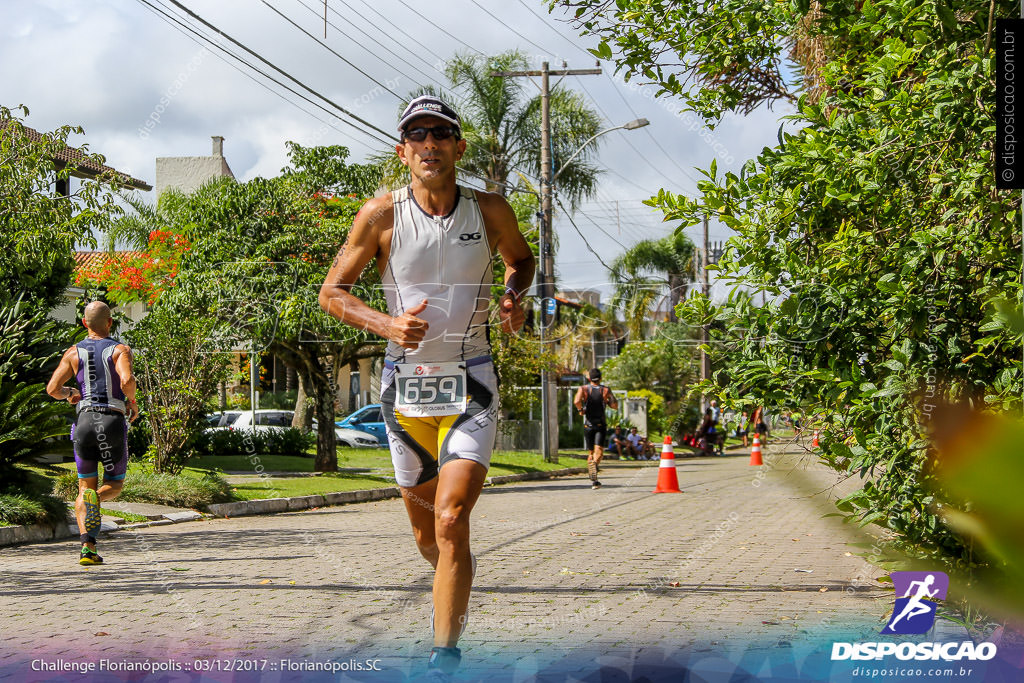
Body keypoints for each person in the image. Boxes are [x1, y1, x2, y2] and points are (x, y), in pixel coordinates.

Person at [318, 95, 535, 678]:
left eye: (440, 134)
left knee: (450, 517)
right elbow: (331, 292)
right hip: (403, 387)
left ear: (458, 147)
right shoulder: (380, 215)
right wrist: (385, 323)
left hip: (471, 378)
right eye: (417, 135)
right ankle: (452, 584)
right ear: (403, 150)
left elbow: (521, 260)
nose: (429, 144)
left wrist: (514, 296)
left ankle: (445, 654)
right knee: (427, 534)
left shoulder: (491, 210)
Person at [45, 301, 139, 566]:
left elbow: (53, 388)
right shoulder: (120, 350)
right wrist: (132, 402)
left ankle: (87, 548)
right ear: (110, 323)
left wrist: (70, 394)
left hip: (85, 422)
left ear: (84, 323)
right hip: (111, 421)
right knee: (115, 484)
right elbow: (127, 381)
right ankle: (96, 498)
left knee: (84, 485)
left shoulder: (73, 352)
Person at [574, 368, 617, 488]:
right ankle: (594, 465)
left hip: (588, 425)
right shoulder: (605, 390)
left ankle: (595, 481)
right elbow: (614, 405)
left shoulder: (583, 389)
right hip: (600, 425)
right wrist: (608, 401)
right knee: (599, 452)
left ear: (589, 379)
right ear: (601, 378)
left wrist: (580, 410)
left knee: (591, 452)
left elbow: (577, 401)